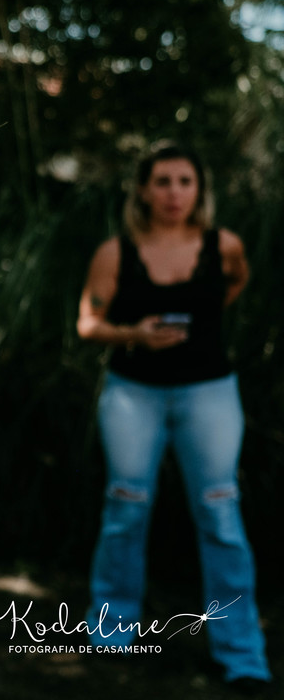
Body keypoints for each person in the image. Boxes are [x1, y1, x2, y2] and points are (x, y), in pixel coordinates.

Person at [77, 140, 270, 691]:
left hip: (209, 393)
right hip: (133, 393)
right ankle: (111, 631)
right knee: (126, 508)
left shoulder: (224, 247)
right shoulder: (116, 252)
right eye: (162, 181)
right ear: (143, 189)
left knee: (221, 515)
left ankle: (242, 654)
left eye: (185, 181)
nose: (174, 193)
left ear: (199, 189)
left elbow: (234, 284)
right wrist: (134, 335)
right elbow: (87, 324)